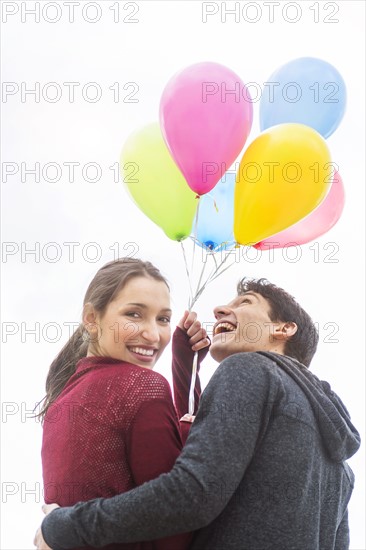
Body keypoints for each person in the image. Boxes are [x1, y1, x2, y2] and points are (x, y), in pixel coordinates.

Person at [35, 277, 361, 550]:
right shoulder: (340, 467)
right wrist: (185, 369)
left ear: (284, 328)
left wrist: (65, 526)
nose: (221, 308)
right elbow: (211, 457)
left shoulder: (249, 369)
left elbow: (193, 495)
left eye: (245, 302)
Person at [36, 257, 209, 550]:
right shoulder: (141, 387)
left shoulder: (61, 398)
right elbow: (178, 521)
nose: (153, 335)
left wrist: (185, 368)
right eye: (134, 314)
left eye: (163, 319)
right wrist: (183, 375)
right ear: (91, 319)